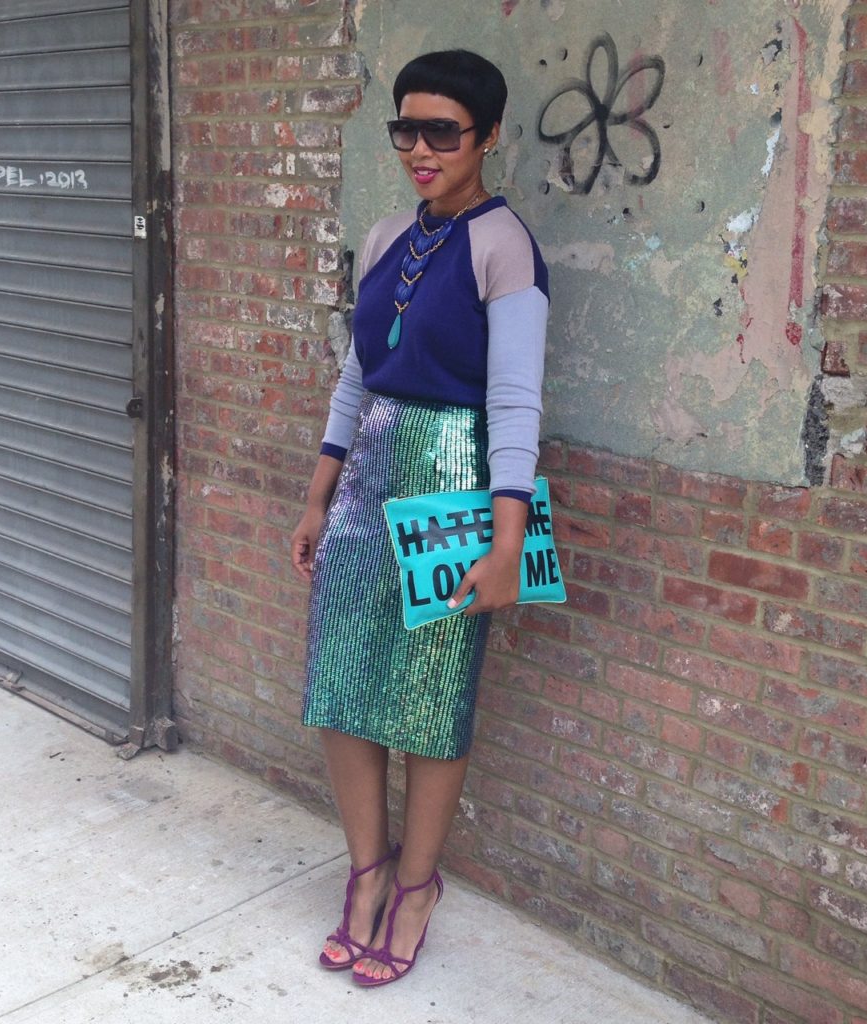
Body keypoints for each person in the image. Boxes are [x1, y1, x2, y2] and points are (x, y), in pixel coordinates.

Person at [290, 48, 549, 988]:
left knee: (432, 699)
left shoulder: (503, 244)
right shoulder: (384, 235)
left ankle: (414, 887)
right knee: (339, 681)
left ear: (488, 135)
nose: (421, 149)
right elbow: (357, 375)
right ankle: (364, 872)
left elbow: (514, 401)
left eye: (443, 131)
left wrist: (508, 543)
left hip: (453, 483)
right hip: (366, 482)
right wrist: (318, 495)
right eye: (407, 129)